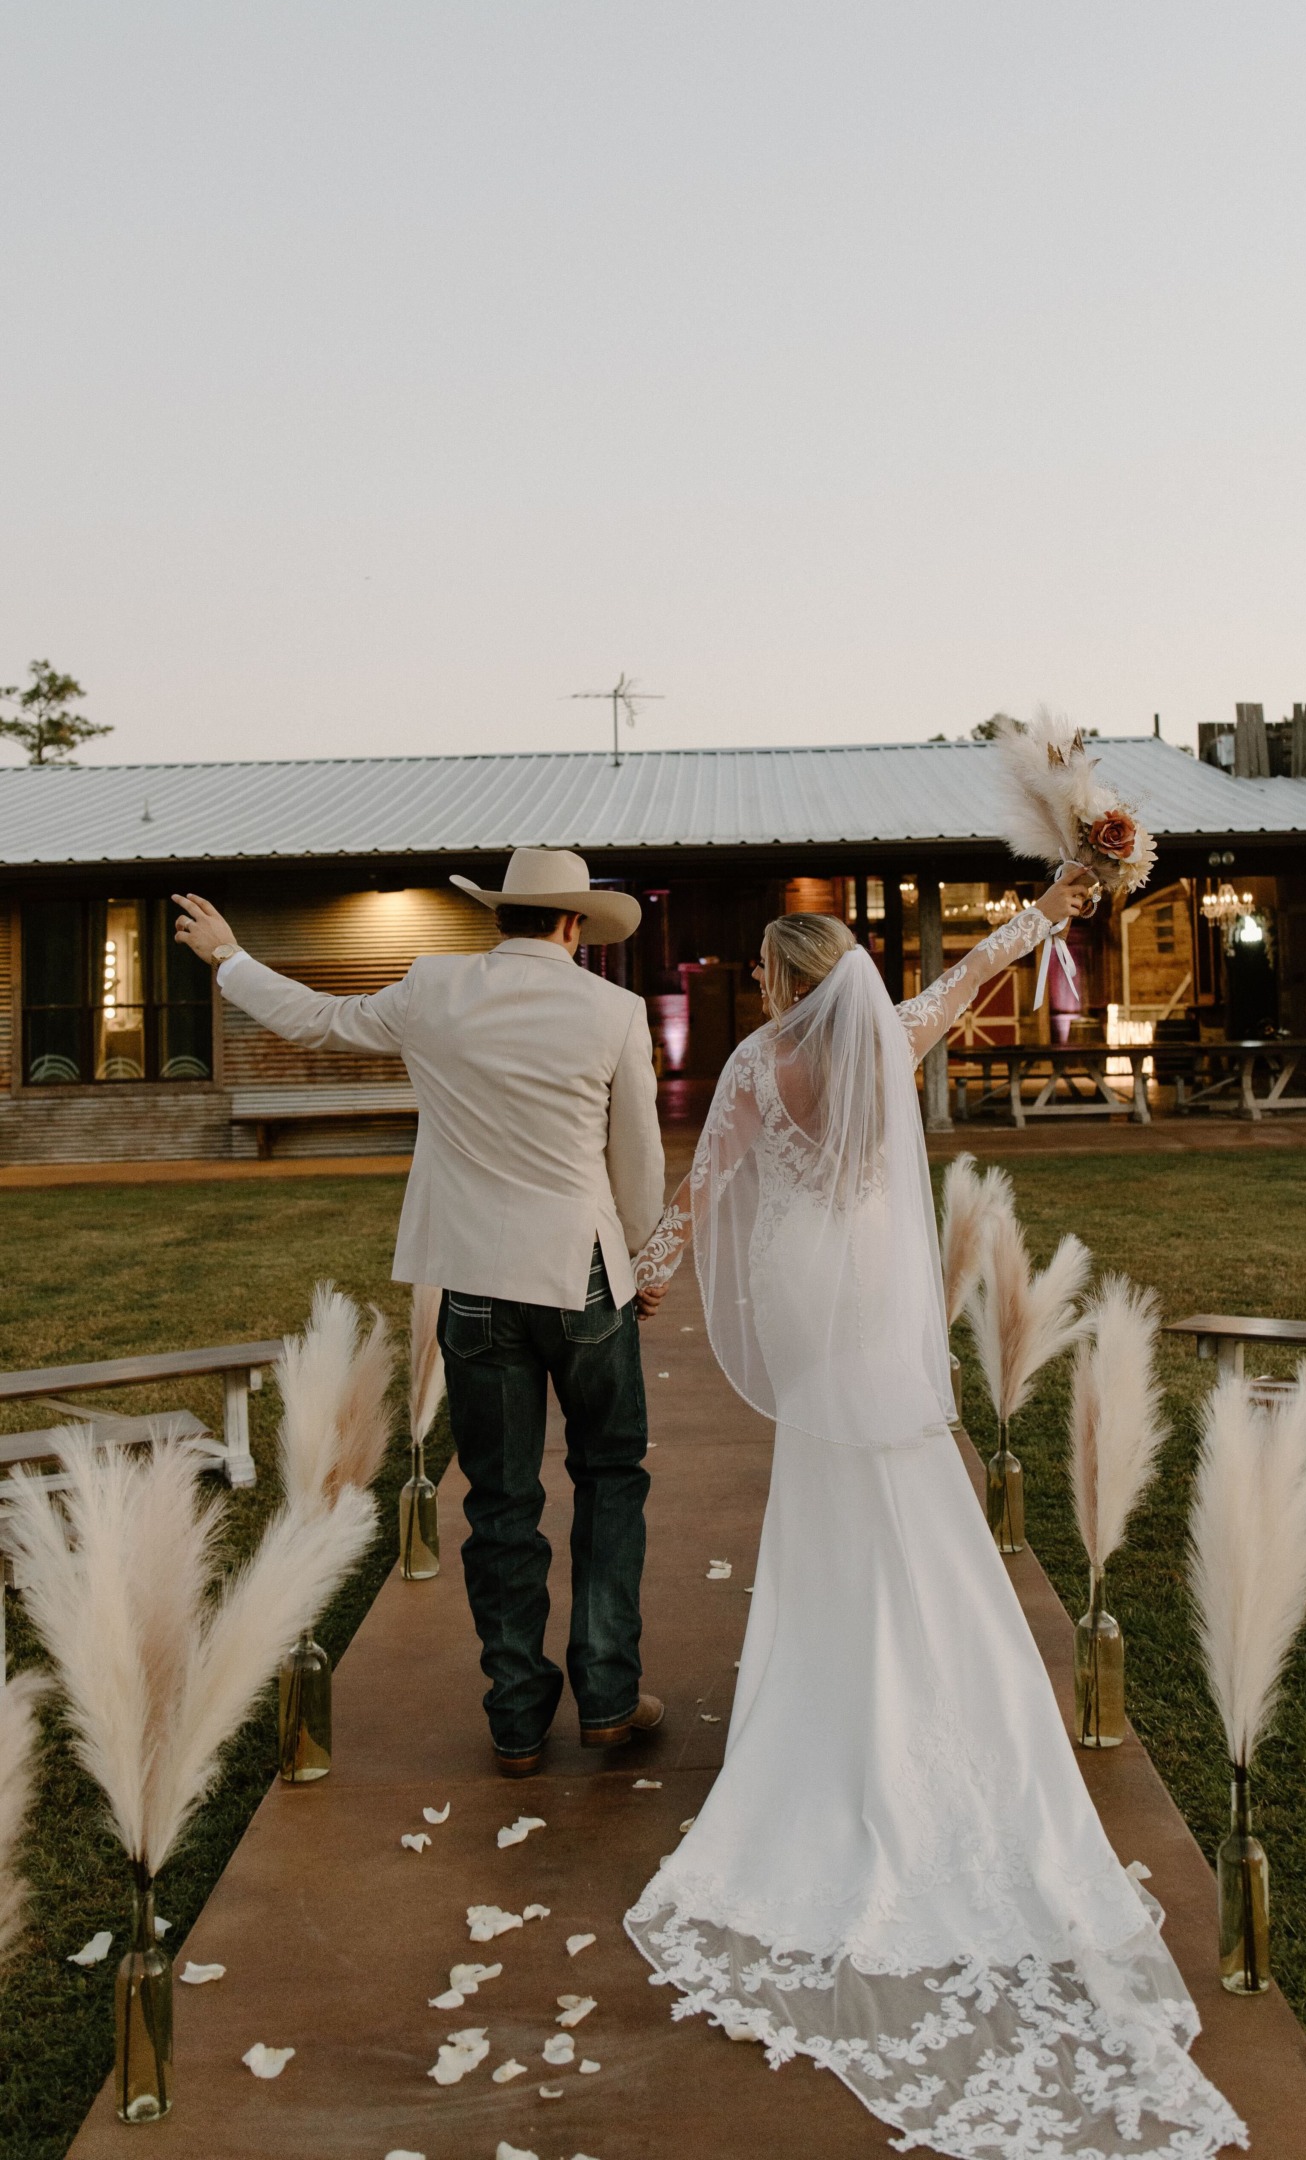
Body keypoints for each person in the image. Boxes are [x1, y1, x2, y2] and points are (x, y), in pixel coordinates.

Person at [623, 877, 1246, 2160]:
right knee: (906, 1480)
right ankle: (932, 1678)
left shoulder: (752, 1064)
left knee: (824, 1478)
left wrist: (652, 1269)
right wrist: (1063, 900)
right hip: (869, 1290)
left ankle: (836, 1683)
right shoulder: (882, 1033)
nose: (754, 984)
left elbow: (706, 1188)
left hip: (803, 1297)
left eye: (761, 968)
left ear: (790, 980)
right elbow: (982, 972)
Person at [172, 846, 667, 1775]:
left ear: (500, 918)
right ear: (571, 924)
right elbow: (634, 1155)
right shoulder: (615, 1011)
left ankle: (517, 1720)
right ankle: (607, 1695)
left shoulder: (431, 991)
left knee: (500, 1499)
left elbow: (315, 1022)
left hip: (475, 1281)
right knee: (610, 1474)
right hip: (583, 1275)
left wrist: (230, 957)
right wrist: (644, 1257)